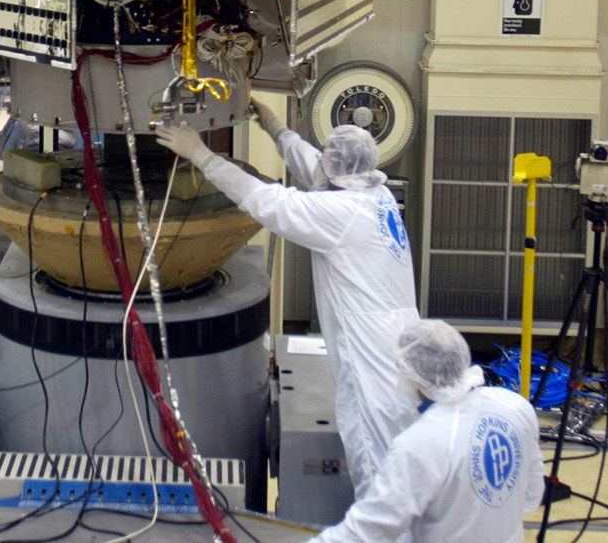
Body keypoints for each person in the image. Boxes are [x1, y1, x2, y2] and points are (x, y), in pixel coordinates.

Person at [156, 110, 418, 499]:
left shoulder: (340, 213)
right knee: (398, 466)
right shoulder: (371, 193)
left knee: (378, 472)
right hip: (398, 346)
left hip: (372, 365)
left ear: (336, 172)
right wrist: (275, 128)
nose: (321, 169)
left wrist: (200, 154)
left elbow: (264, 200)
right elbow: (313, 163)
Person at [310, 320, 543, 543]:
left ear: (412, 376)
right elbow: (532, 495)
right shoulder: (516, 406)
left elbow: (369, 530)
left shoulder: (421, 442)